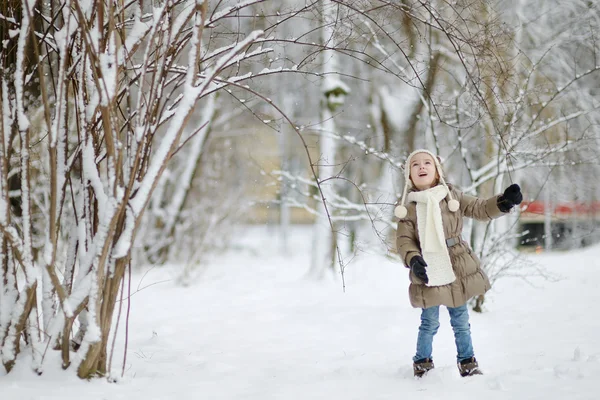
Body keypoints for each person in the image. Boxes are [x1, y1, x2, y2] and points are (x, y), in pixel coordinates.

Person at [394, 149, 523, 378]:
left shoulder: (451, 196)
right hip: (428, 266)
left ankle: (467, 362)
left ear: (437, 172)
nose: (421, 167)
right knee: (429, 322)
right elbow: (404, 240)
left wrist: (503, 202)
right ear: (409, 176)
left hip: (456, 266)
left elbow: (480, 208)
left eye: (427, 163)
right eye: (415, 165)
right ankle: (422, 362)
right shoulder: (408, 207)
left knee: (461, 321)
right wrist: (413, 259)